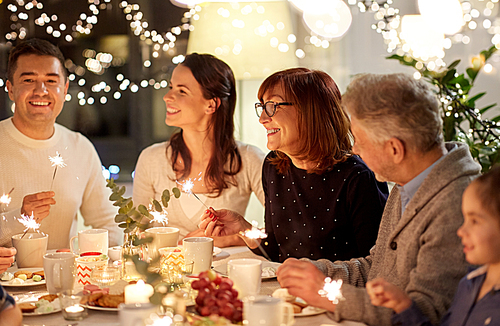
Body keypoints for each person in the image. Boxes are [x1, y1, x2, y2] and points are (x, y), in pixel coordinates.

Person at [273, 73, 482, 326]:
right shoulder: (409, 182)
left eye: (359, 139)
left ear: (394, 149)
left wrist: (328, 294)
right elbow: (377, 269)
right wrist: (320, 272)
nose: (354, 149)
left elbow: (423, 313)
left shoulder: (456, 205)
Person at [200, 68, 388, 262]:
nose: (263, 118)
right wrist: (243, 229)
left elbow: (376, 265)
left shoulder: (358, 178)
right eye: (262, 106)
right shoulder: (274, 166)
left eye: (272, 105)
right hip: (288, 290)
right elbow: (275, 250)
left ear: (310, 111)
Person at [132, 53, 265, 248]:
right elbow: (136, 236)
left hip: (228, 277)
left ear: (211, 104)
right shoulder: (152, 160)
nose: (167, 97)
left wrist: (231, 237)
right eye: (170, 88)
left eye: (182, 91)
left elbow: (280, 233)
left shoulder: (249, 159)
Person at [0, 38, 121, 250]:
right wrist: (17, 218)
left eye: (51, 81)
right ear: (10, 89)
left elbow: (109, 223)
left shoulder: (80, 148)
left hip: (64, 280)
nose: (41, 90)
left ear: (65, 90)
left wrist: (81, 256)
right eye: (28, 80)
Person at [366, 166, 500, 326]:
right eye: (465, 219)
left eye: (475, 221)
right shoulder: (468, 283)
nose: (461, 231)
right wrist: (403, 307)